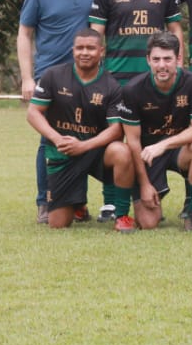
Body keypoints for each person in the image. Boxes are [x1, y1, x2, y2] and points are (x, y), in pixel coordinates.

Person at [19, 0, 104, 222]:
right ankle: (46, 202)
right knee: (50, 142)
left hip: (88, 79)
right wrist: (27, 78)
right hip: (50, 79)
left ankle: (77, 203)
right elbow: (25, 33)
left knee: (86, 139)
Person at [27, 28, 133, 231]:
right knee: (57, 224)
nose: (85, 52)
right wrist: (57, 139)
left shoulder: (111, 85)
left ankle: (122, 215)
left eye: (91, 48)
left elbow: (116, 130)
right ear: (72, 50)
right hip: (63, 152)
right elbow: (33, 113)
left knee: (121, 151)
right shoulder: (53, 75)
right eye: (80, 48)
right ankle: (77, 204)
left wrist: (83, 146)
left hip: (94, 151)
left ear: (101, 51)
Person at [118, 33, 192, 230]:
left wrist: (163, 145)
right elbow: (133, 142)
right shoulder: (132, 90)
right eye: (156, 59)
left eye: (168, 59)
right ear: (148, 60)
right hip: (147, 155)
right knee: (148, 223)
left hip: (178, 150)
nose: (162, 65)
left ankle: (191, 211)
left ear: (178, 59)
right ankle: (153, 190)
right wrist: (144, 184)